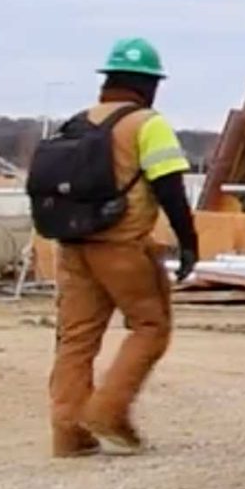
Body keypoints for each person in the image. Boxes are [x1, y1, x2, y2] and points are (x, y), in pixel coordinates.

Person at [48, 37, 198, 457]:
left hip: (74, 245)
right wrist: (189, 243)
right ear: (149, 85)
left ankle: (68, 433)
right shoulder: (147, 123)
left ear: (108, 80)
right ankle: (107, 412)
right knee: (150, 327)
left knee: (76, 338)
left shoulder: (78, 121)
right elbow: (170, 188)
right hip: (122, 246)